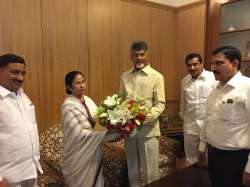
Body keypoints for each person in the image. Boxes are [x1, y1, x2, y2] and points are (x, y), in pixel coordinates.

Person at [198, 46, 250, 187]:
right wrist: (202, 146)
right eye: (212, 63)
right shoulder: (216, 89)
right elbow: (208, 119)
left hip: (236, 158)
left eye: (219, 63)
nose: (213, 68)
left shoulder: (247, 88)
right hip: (214, 154)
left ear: (235, 63)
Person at [119, 40, 165, 186]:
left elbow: (160, 104)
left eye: (142, 54)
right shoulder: (125, 76)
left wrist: (143, 118)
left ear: (147, 55)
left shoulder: (157, 76)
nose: (139, 58)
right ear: (130, 56)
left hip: (148, 131)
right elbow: (120, 100)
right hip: (130, 132)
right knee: (132, 171)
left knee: (150, 173)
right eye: (135, 55)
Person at [61, 71, 117, 187]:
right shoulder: (67, 107)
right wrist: (104, 131)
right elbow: (79, 135)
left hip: (93, 153)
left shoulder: (88, 100)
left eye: (83, 82)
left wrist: (115, 125)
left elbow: (99, 124)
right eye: (77, 83)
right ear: (69, 87)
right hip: (78, 156)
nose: (82, 85)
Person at [0, 54, 42, 187]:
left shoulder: (23, 96)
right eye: (15, 72)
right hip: (9, 178)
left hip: (30, 172)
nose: (21, 78)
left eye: (23, 73)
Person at [179, 53, 216, 166]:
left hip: (209, 125)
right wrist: (184, 119)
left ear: (201, 64)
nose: (192, 68)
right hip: (190, 125)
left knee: (208, 159)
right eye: (189, 65)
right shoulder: (184, 81)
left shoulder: (213, 77)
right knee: (190, 158)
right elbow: (183, 103)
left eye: (195, 64)